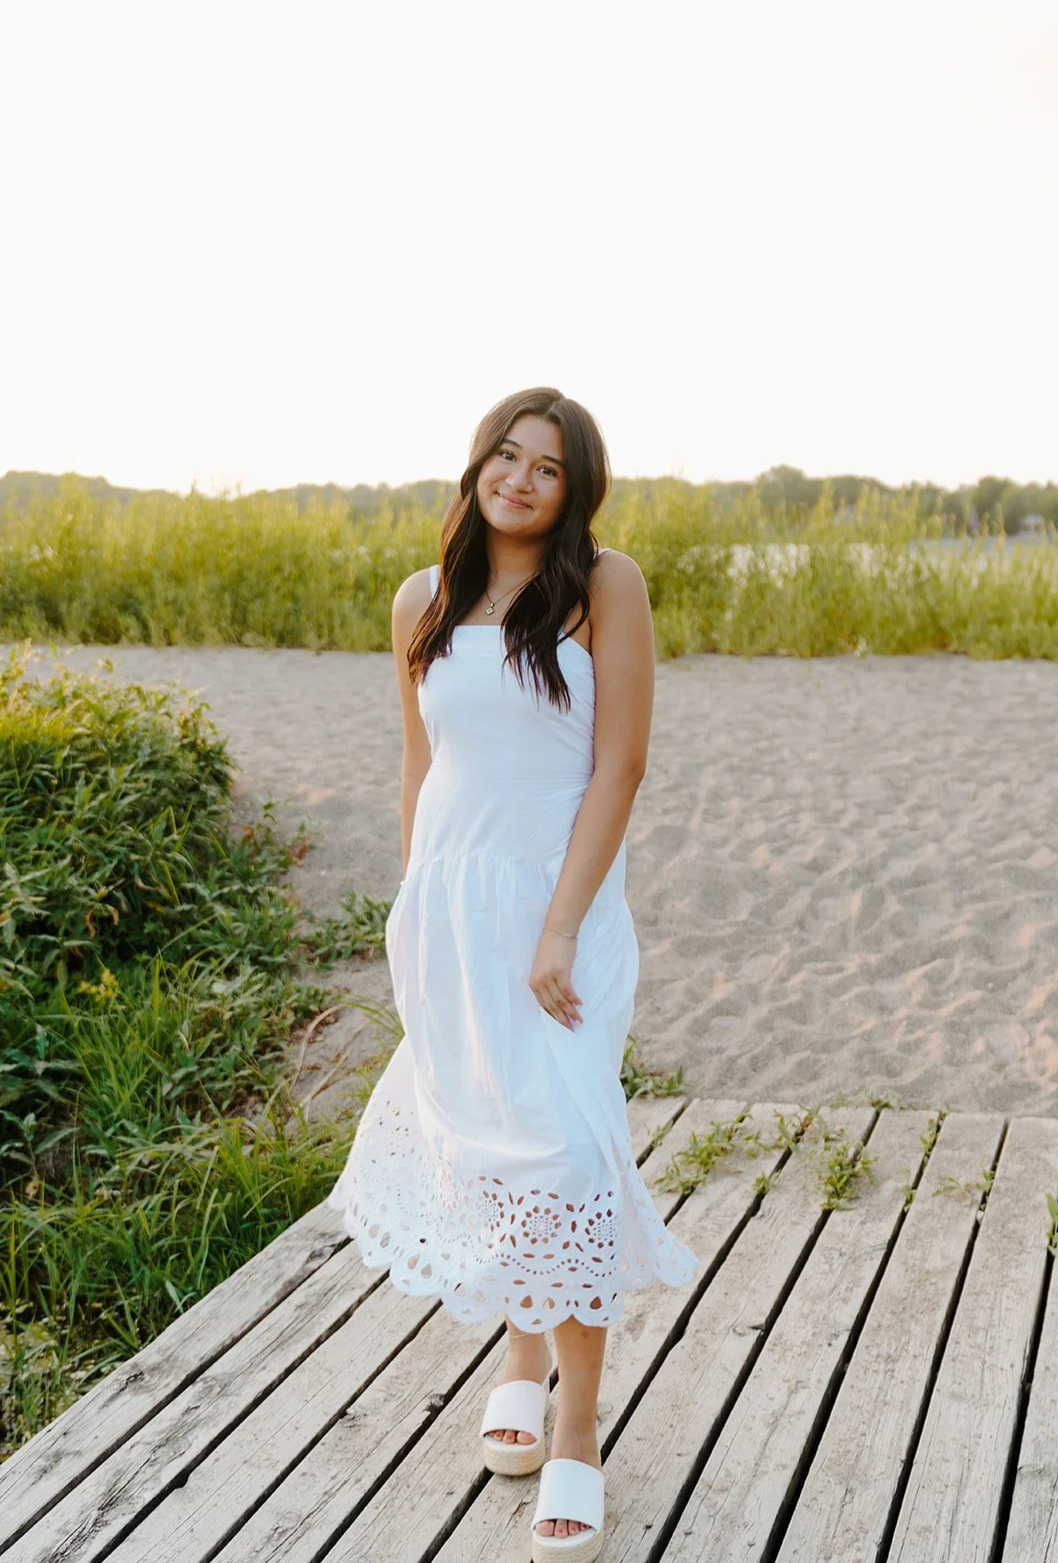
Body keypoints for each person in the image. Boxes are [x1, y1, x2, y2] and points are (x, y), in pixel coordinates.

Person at [328, 386, 697, 1560]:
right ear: (476, 465)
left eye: (547, 466)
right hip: (448, 916)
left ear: (573, 487)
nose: (521, 479)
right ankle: (519, 1356)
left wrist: (556, 928)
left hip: (559, 917)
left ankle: (578, 1434)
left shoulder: (604, 586)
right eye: (505, 454)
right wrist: (408, 913)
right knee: (484, 1138)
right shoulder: (419, 602)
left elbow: (620, 767)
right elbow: (419, 768)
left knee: (570, 1151)